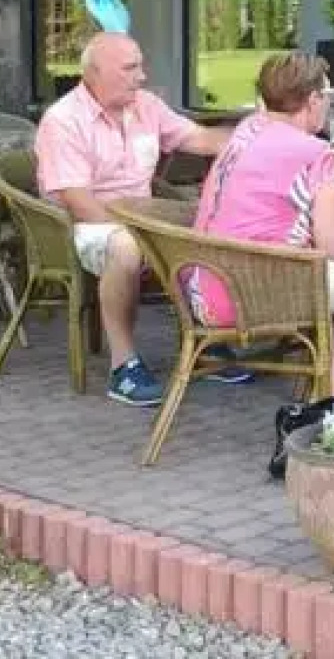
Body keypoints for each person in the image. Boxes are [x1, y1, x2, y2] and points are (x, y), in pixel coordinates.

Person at [188, 53, 334, 398]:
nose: (330, 101)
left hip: (207, 290)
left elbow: (268, 209)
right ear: (312, 99)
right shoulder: (317, 154)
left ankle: (330, 399)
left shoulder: (247, 131)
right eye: (329, 93)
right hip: (259, 297)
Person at [35, 32, 235, 406]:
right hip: (90, 228)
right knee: (127, 247)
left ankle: (208, 343)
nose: (141, 76)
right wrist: (140, 231)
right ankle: (123, 366)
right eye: (130, 68)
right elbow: (78, 200)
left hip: (144, 218)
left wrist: (260, 135)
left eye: (140, 66)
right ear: (95, 73)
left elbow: (201, 140)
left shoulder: (146, 106)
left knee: (213, 229)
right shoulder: (63, 120)